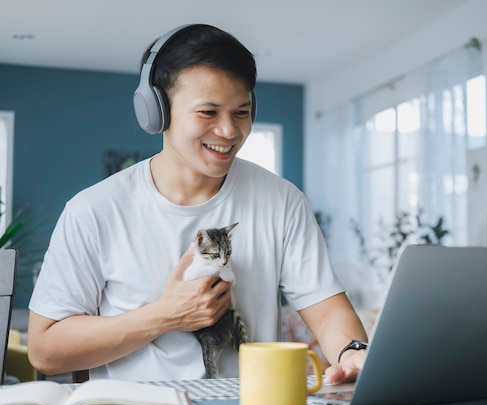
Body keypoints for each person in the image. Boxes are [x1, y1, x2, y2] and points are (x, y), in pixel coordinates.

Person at [27, 24, 368, 383]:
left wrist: (353, 354)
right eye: (208, 113)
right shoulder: (93, 210)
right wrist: (165, 315)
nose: (230, 131)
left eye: (241, 111)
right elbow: (45, 350)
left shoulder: (282, 201)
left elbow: (328, 313)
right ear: (156, 111)